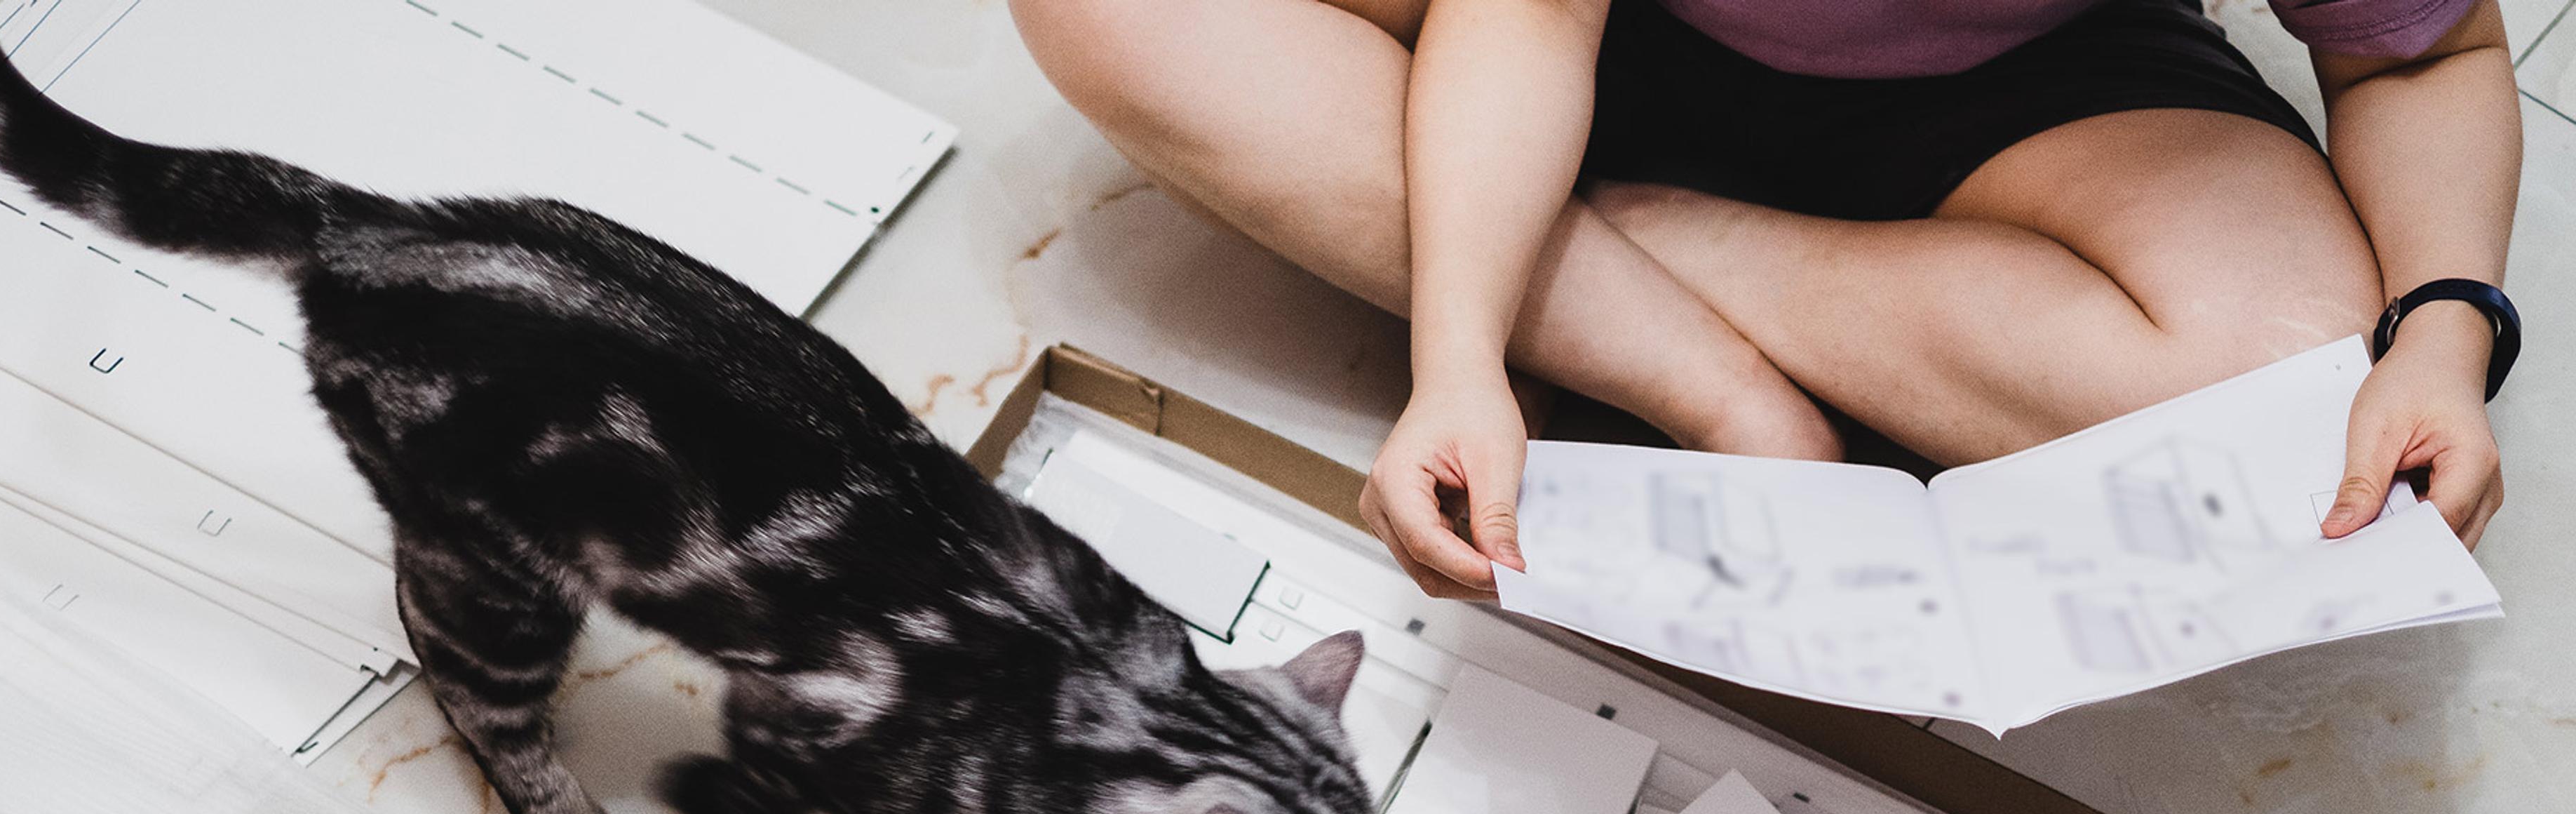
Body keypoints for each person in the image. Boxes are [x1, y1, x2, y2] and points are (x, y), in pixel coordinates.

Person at [1009, 0, 2522, 598]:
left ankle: (1626, 242)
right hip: (1615, 25)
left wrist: (2446, 331)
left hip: (2029, 86)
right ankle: (1692, 358)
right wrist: (1458, 356)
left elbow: (2419, 52)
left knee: (2284, 375)